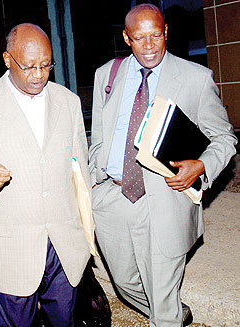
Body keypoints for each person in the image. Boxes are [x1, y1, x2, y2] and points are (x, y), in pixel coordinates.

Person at [89, 4, 237, 327]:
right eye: (140, 38)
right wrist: (92, 186)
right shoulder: (107, 76)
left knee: (163, 302)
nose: (150, 45)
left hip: (165, 200)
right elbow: (97, 140)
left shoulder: (195, 79)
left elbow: (225, 139)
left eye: (156, 35)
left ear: (166, 31)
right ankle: (170, 310)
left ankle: (167, 315)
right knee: (126, 284)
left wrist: (201, 166)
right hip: (112, 200)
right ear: (127, 38)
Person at [0, 23, 91, 327]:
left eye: (46, 65)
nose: (38, 75)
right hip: (10, 248)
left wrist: (88, 235)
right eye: (29, 66)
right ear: (8, 60)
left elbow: (81, 175)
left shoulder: (68, 102)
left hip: (64, 246)